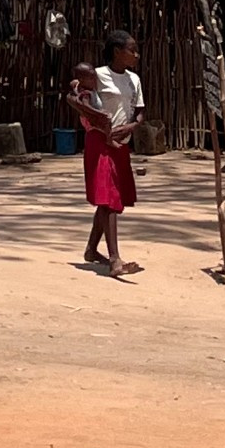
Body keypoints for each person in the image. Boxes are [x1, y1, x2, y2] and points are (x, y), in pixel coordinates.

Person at [74, 29, 143, 278]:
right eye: (131, 49)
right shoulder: (98, 76)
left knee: (109, 198)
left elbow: (139, 111)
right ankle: (115, 259)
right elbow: (76, 97)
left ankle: (92, 250)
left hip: (121, 144)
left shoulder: (134, 80)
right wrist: (99, 122)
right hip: (99, 142)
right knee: (110, 198)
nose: (136, 54)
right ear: (117, 51)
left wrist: (131, 126)